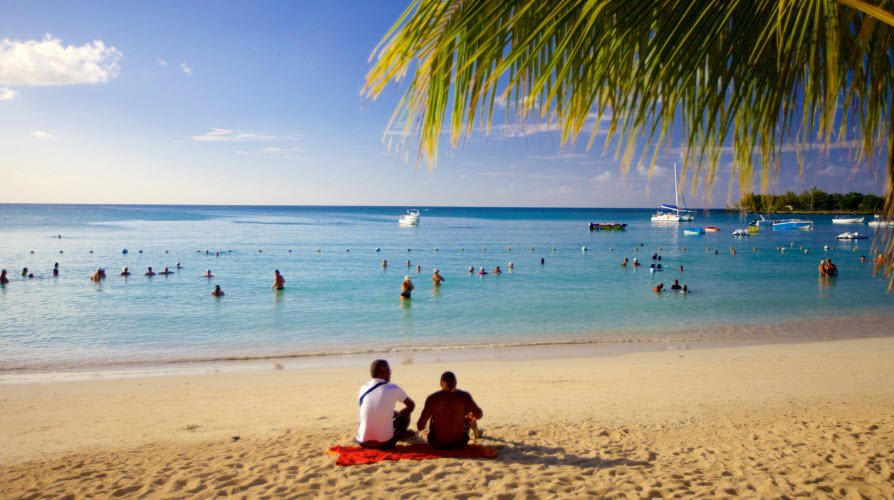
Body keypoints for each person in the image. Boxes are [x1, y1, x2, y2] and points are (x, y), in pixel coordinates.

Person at [356, 359, 416, 449]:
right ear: (384, 373)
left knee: (366, 417)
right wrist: (400, 413)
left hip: (363, 443)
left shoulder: (363, 388)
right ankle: (400, 433)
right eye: (389, 370)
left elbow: (373, 409)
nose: (390, 373)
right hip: (386, 444)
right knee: (405, 414)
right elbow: (411, 405)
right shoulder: (394, 388)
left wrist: (392, 413)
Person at [417, 371, 484, 449]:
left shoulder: (432, 398)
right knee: (470, 414)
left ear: (441, 383)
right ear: (455, 383)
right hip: (459, 443)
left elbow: (420, 426)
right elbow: (479, 414)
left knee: (429, 423)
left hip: (437, 444)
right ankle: (476, 433)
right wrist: (468, 414)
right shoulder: (464, 396)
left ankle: (475, 433)